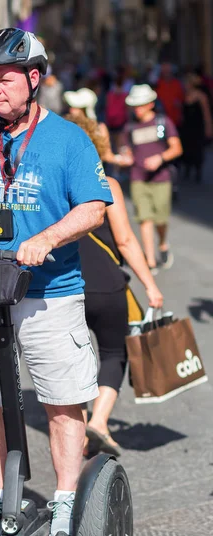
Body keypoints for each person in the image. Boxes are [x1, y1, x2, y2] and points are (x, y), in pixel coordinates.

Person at [0, 28, 113, 536]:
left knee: (61, 401)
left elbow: (94, 207)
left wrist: (48, 237)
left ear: (34, 78)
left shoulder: (68, 139)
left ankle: (65, 499)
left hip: (50, 292)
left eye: (4, 79)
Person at [68, 112, 163, 455]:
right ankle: (99, 421)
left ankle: (76, 431)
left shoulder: (51, 186)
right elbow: (124, 241)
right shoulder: (108, 185)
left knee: (70, 360)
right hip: (108, 285)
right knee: (114, 351)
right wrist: (150, 285)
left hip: (66, 284)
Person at [121, 84, 183, 274]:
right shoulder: (130, 127)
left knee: (160, 219)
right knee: (145, 219)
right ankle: (150, 260)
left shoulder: (162, 123)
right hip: (138, 177)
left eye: (140, 104)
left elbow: (177, 148)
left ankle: (163, 244)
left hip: (161, 178)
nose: (137, 108)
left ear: (150, 104)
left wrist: (160, 158)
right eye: (134, 105)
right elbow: (126, 151)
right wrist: (122, 157)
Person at [63, 87, 131, 170]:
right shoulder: (66, 127)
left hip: (94, 176)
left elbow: (107, 155)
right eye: (72, 106)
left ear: (85, 109)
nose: (71, 110)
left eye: (76, 107)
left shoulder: (100, 128)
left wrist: (121, 159)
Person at [180, 73, 213, 182]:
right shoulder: (184, 96)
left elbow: (206, 113)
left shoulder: (201, 96)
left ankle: (198, 171)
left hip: (197, 127)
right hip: (186, 127)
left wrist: (209, 127)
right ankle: (188, 169)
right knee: (187, 148)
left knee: (197, 149)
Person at [155, 62, 184, 128]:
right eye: (165, 70)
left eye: (168, 70)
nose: (166, 72)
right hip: (162, 121)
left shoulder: (177, 84)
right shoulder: (157, 84)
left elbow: (183, 100)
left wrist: (180, 104)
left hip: (176, 120)